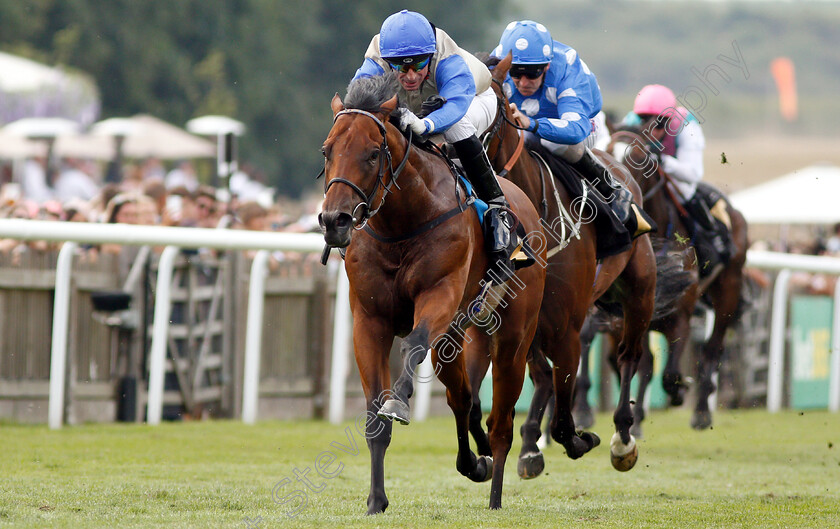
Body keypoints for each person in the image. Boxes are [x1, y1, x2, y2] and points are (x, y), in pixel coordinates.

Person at [353, 9, 515, 277]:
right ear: (386, 60)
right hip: (420, 106)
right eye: (400, 67)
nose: (410, 75)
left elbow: (456, 106)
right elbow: (359, 106)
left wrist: (425, 125)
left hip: (474, 99)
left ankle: (498, 210)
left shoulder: (447, 58)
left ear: (430, 56)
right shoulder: (376, 58)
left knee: (454, 127)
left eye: (418, 65)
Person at [491, 20, 651, 238]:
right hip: (527, 119)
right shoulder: (497, 62)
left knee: (554, 143)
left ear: (546, 66)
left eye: (532, 73)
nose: (523, 81)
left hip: (581, 123)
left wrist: (532, 123)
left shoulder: (568, 69)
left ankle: (612, 189)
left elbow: (575, 129)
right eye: (517, 73)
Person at [624, 84, 730, 274]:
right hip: (644, 179)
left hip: (677, 182)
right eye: (644, 121)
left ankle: (709, 244)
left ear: (669, 121)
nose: (651, 130)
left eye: (658, 124)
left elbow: (693, 174)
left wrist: (663, 162)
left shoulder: (686, 126)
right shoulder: (630, 121)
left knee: (685, 196)